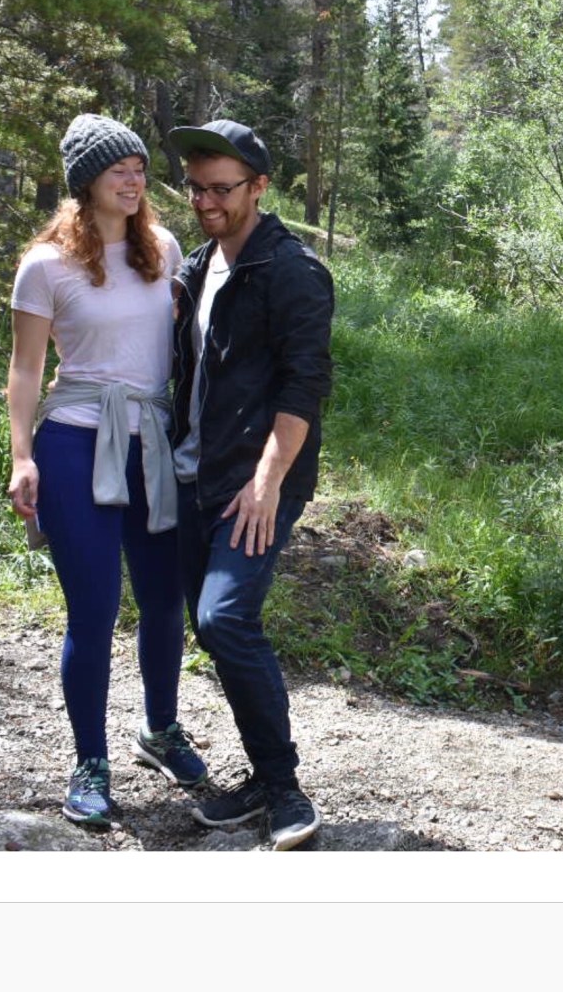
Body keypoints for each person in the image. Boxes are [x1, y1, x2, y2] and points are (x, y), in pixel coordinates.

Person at [7, 113, 206, 828]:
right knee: (92, 611)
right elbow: (25, 370)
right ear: (85, 181)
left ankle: (159, 728)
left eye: (139, 168)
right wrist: (22, 456)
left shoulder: (164, 248)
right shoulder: (46, 265)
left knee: (164, 600)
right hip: (75, 444)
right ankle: (90, 760)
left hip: (152, 444)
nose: (133, 179)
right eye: (118, 169)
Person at [168, 118, 334, 850]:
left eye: (221, 189)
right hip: (193, 476)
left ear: (259, 186)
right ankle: (263, 780)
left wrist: (268, 483)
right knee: (208, 623)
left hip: (257, 480)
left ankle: (284, 788)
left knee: (226, 617)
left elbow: (305, 385)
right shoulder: (197, 266)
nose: (206, 201)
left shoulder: (292, 271)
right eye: (196, 188)